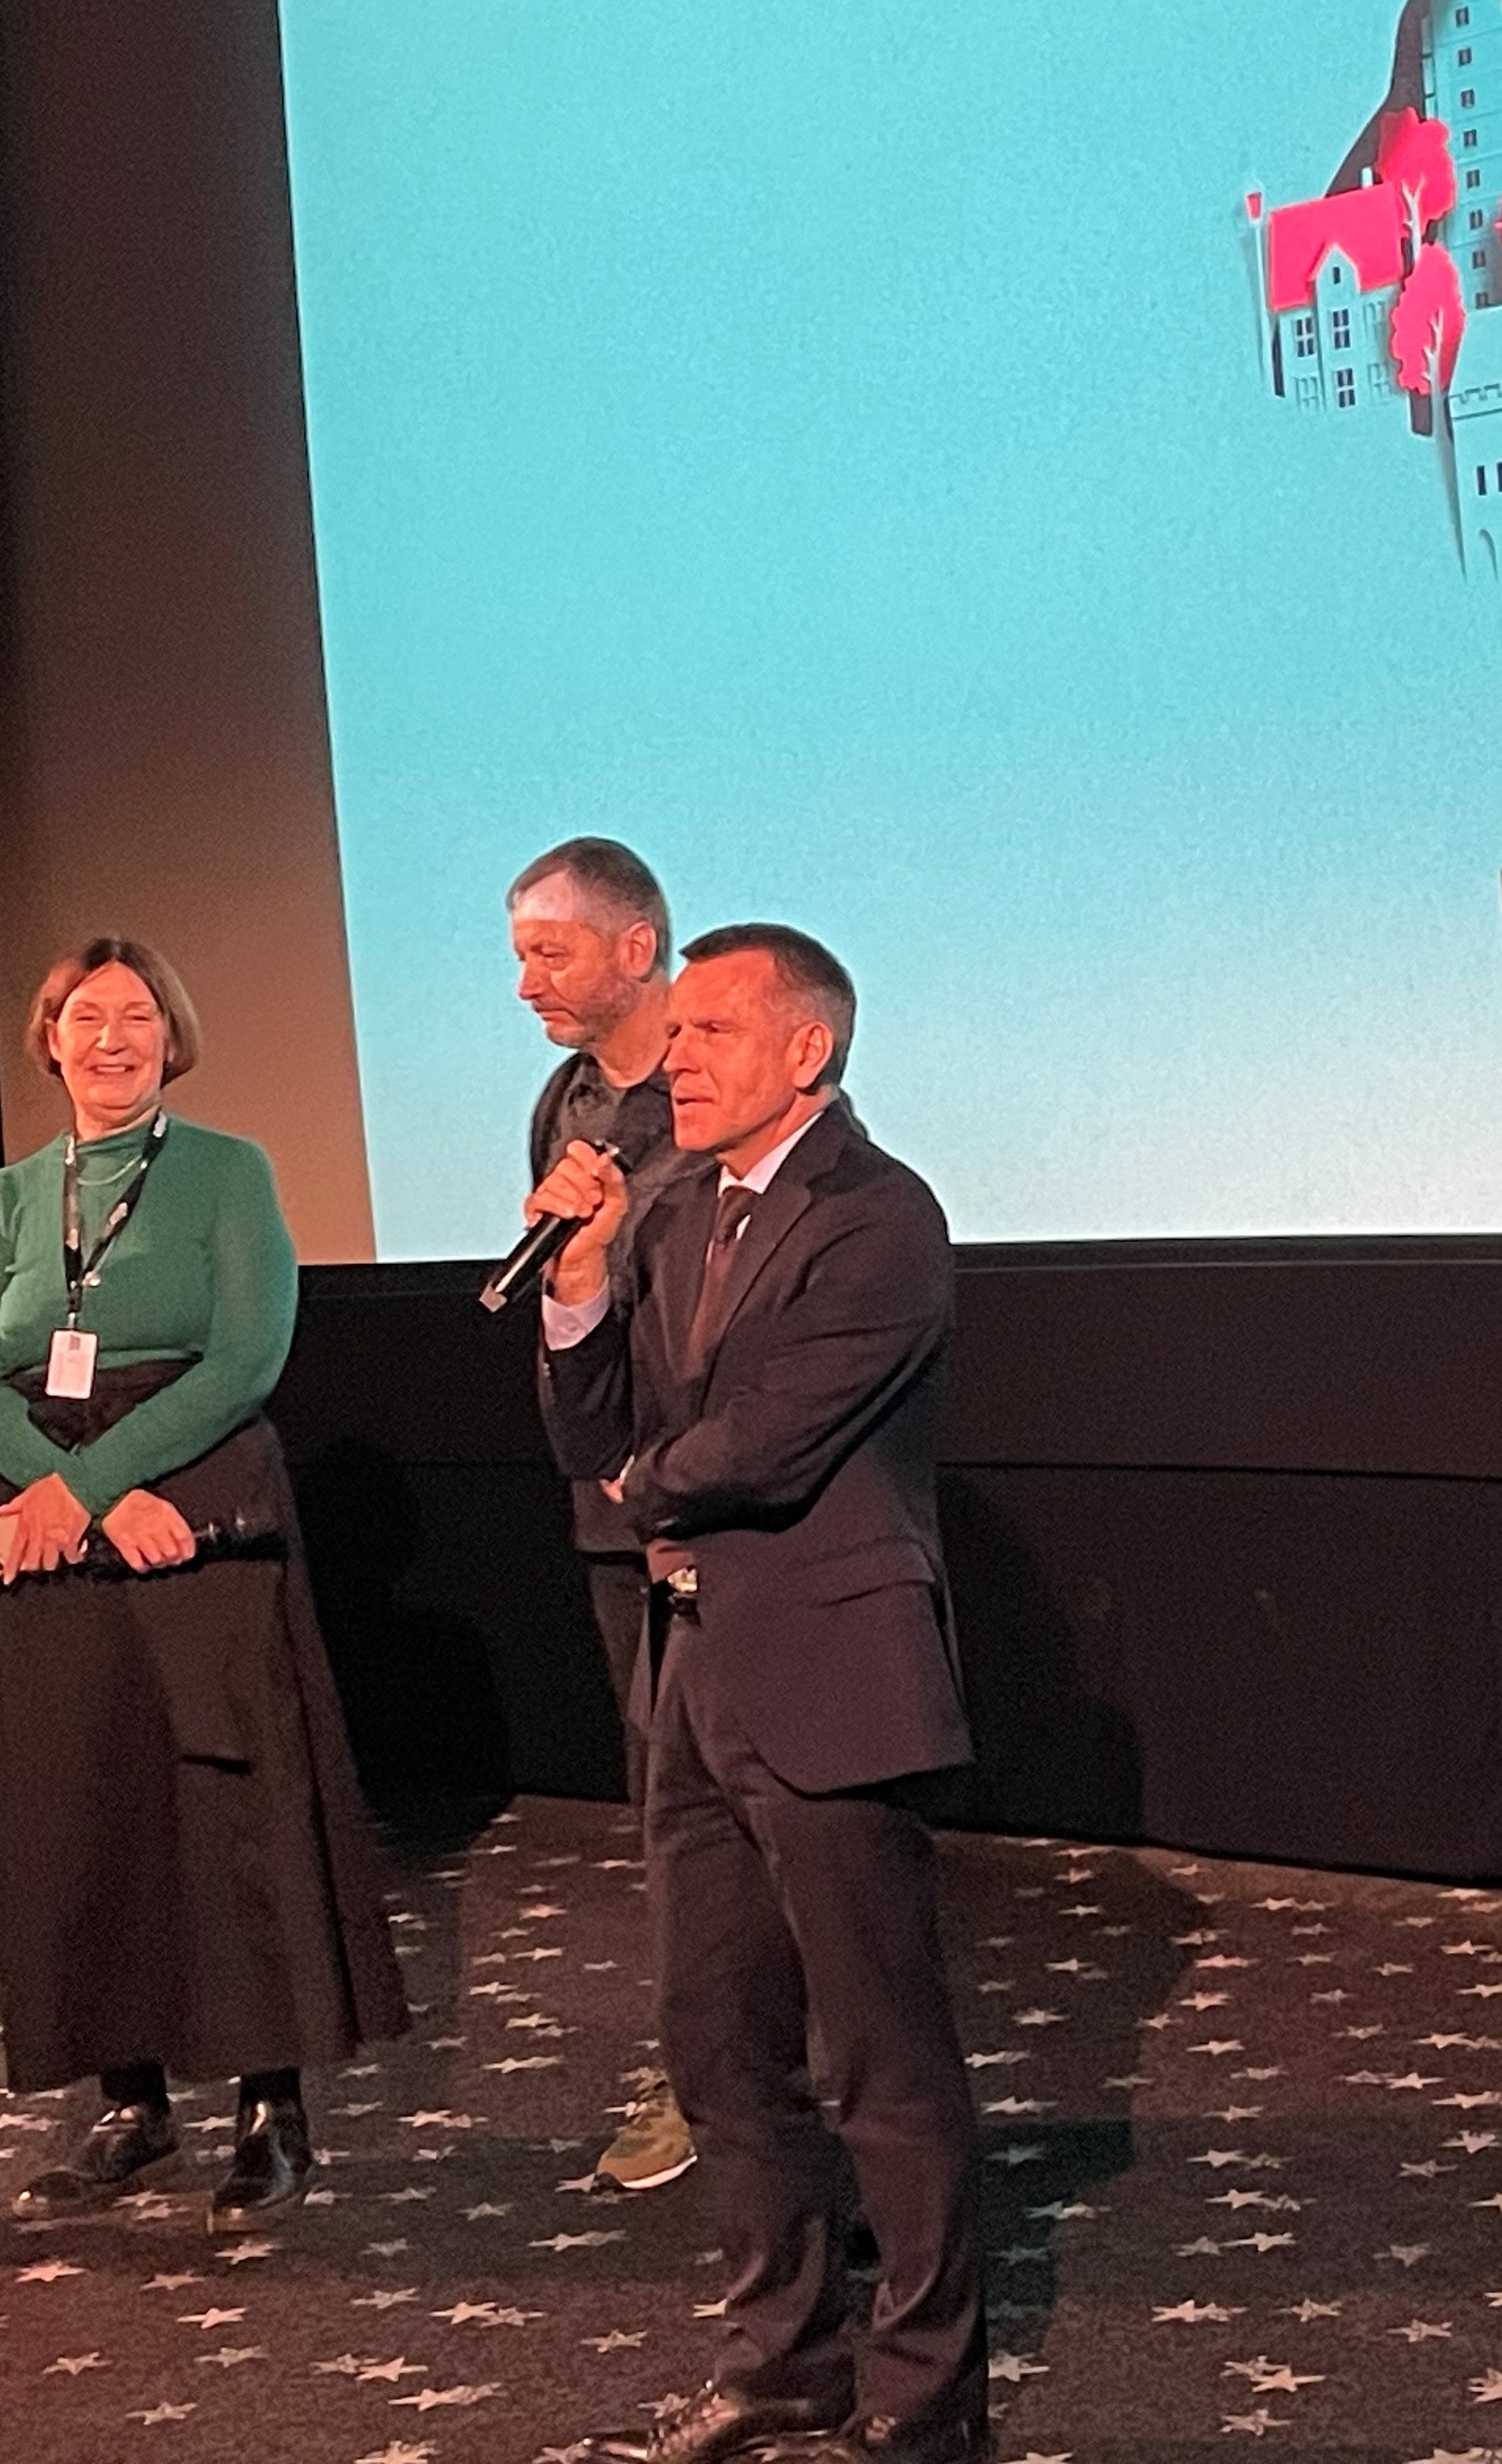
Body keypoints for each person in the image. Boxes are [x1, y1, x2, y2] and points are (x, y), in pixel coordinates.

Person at [539, 925, 985, 2464]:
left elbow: (771, 1443)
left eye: (713, 1030)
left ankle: (925, 2396)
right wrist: (577, 1281)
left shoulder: (881, 1216)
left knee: (879, 2059)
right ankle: (782, 2361)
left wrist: (645, 1484)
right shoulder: (671, 1214)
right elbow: (591, 1434)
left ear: (808, 1050)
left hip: (834, 1674)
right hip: (693, 1675)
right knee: (719, 2045)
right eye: (677, 1034)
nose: (678, 1058)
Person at [0, 937, 405, 2229]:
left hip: (194, 1495)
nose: (113, 1039)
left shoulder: (226, 1170)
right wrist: (72, 1495)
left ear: (171, 1035)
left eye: (137, 1016)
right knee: (82, 1803)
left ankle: (269, 2109)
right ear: (49, 1040)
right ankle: (132, 2104)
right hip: (43, 1506)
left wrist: (95, 1489)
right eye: (87, 1017)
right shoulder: (5, 1199)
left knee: (224, 1802)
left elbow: (247, 1356)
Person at [509, 836, 701, 2194]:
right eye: (520, 954)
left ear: (636, 949)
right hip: (612, 1503)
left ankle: (788, 2067)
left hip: (729, 1501)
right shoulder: (563, 1100)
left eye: (550, 951)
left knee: (764, 1806)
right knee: (663, 1796)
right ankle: (699, 2059)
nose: (527, 981)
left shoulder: (724, 1076)